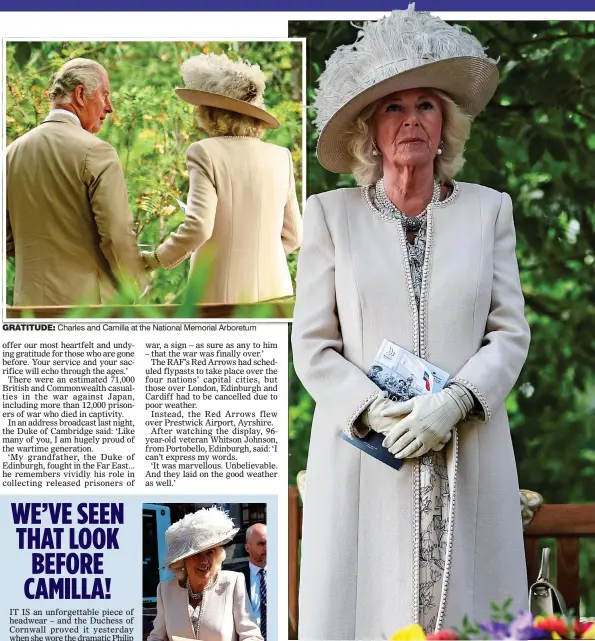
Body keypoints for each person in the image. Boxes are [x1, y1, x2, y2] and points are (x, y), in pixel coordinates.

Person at [291, 6, 531, 640]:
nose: (412, 120)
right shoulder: (328, 216)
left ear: (445, 123)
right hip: (368, 458)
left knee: (474, 617)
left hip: (468, 445)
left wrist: (452, 403)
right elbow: (313, 345)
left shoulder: (489, 211)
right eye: (394, 107)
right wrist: (375, 410)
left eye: (426, 105)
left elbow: (509, 332)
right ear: (370, 127)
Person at [141, 52, 302, 304]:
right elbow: (295, 235)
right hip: (276, 294)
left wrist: (156, 258)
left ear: (212, 113)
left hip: (219, 296)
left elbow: (199, 227)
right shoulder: (281, 156)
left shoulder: (204, 152)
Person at [6, 57, 147, 306]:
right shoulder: (97, 152)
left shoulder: (11, 154)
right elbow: (116, 236)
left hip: (26, 310)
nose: (109, 107)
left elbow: (8, 239)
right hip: (89, 310)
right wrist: (136, 285)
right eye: (105, 95)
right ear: (80, 94)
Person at [148, 506, 263, 641]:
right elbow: (156, 637)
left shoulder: (232, 583)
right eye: (196, 554)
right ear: (182, 560)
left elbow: (252, 635)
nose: (204, 561)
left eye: (209, 552)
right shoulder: (165, 590)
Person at [241, 524, 267, 640]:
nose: (267, 548)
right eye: (261, 544)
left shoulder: (285, 572)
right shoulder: (238, 578)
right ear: (248, 548)